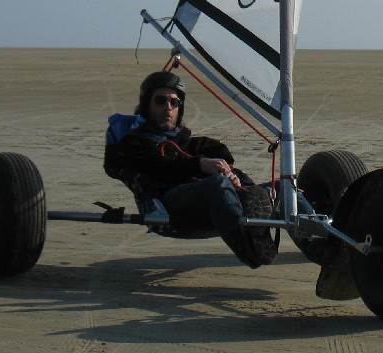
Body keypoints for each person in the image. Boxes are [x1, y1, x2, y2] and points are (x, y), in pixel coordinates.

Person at [104, 70, 274, 267]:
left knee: (282, 189)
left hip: (216, 205)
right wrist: (199, 165)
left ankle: (308, 240)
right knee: (218, 184)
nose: (168, 107)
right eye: (160, 101)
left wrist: (235, 177)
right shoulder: (134, 143)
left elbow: (220, 156)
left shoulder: (189, 143)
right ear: (146, 105)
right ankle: (253, 252)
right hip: (169, 205)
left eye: (174, 102)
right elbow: (158, 167)